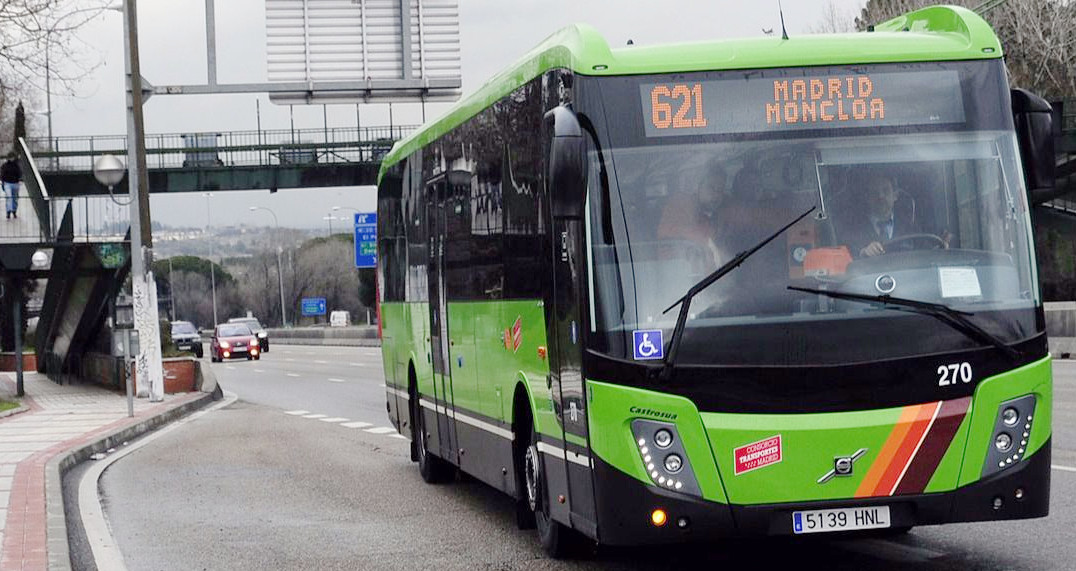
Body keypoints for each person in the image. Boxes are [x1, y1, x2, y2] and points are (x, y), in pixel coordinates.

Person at [656, 159, 727, 267]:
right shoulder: (680, 204)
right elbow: (679, 229)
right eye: (711, 187)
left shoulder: (711, 215)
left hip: (709, 279)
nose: (716, 194)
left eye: (720, 190)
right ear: (698, 186)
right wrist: (709, 244)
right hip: (675, 277)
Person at [840, 175, 915, 258]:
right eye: (874, 193)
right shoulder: (854, 228)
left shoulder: (910, 225)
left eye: (886, 191)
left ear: (895, 195)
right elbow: (845, 256)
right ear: (867, 198)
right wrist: (863, 252)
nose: (880, 196)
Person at [1, 152, 21, 219]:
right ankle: (8, 212)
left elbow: (20, 174)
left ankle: (14, 211)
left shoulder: (17, 165)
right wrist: (3, 183)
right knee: (9, 197)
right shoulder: (5, 165)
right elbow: (2, 174)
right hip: (8, 183)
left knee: (15, 198)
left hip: (15, 183)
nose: (11, 158)